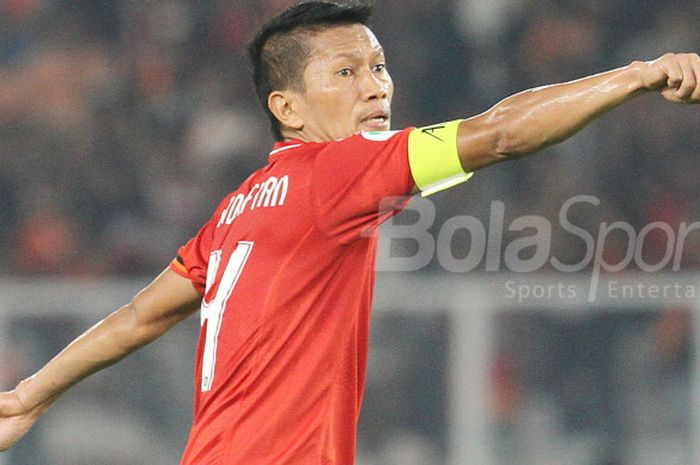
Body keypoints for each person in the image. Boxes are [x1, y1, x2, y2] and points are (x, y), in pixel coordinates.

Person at [0, 1, 698, 464]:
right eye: (346, 71)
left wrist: (33, 391)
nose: (376, 86)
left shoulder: (239, 207)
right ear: (288, 107)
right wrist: (633, 77)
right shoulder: (336, 173)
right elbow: (499, 135)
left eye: (379, 66)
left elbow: (139, 315)